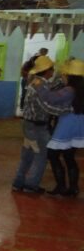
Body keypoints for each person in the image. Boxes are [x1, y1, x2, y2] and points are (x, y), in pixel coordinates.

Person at [37, 58, 84, 197]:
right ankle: (73, 188)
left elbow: (51, 99)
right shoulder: (81, 89)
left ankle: (61, 186)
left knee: (53, 154)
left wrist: (40, 86)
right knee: (69, 156)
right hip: (79, 125)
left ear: (69, 76)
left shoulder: (69, 90)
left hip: (68, 123)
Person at [12, 56, 56, 194]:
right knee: (40, 157)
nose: (53, 71)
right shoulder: (41, 85)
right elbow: (47, 107)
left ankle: (18, 182)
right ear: (47, 71)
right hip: (37, 127)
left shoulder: (33, 82)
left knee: (27, 156)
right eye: (52, 69)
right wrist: (66, 110)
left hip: (28, 125)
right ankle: (31, 185)